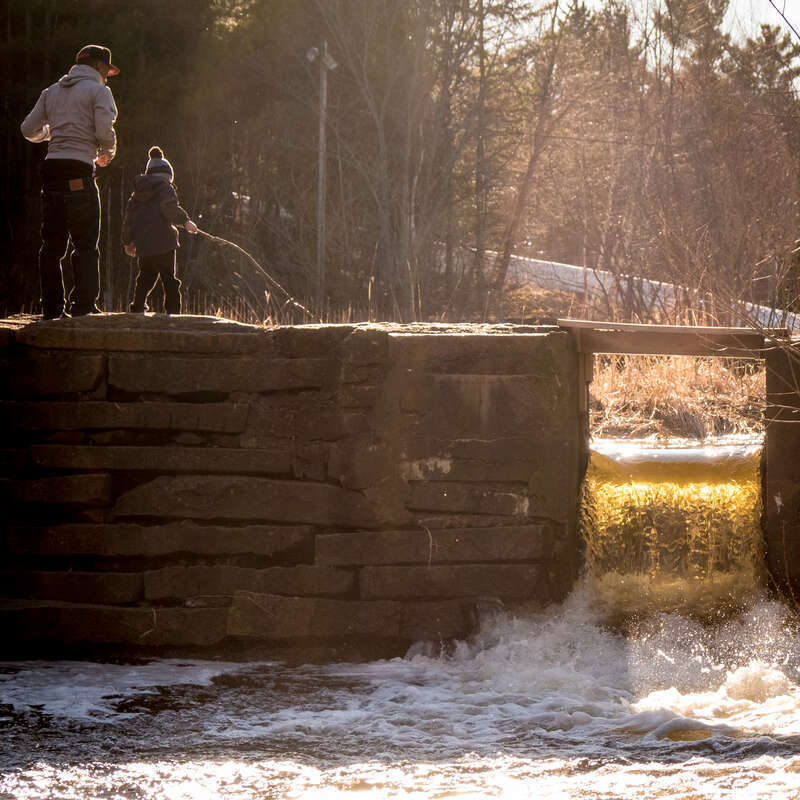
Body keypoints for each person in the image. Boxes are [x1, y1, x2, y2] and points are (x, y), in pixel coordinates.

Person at [20, 44, 120, 319]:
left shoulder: (51, 92)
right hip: (79, 169)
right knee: (85, 243)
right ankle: (84, 307)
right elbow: (104, 130)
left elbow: (28, 129)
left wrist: (54, 135)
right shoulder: (99, 91)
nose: (108, 77)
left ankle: (52, 308)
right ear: (100, 67)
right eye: (107, 71)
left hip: (51, 171)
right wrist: (107, 152)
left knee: (51, 245)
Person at [121, 146, 199, 314]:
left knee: (145, 277)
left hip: (144, 244)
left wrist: (128, 241)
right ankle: (173, 311)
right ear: (167, 176)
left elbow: (129, 219)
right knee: (169, 279)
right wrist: (185, 221)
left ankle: (137, 307)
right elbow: (169, 209)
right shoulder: (165, 188)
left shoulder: (136, 194)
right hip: (164, 243)